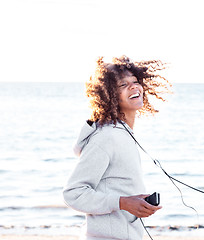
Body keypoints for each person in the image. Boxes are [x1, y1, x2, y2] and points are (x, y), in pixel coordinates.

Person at [63, 56, 172, 240]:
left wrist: (133, 203)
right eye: (123, 85)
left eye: (135, 82)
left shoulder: (124, 133)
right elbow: (73, 193)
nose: (133, 87)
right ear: (109, 95)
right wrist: (122, 203)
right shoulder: (107, 137)